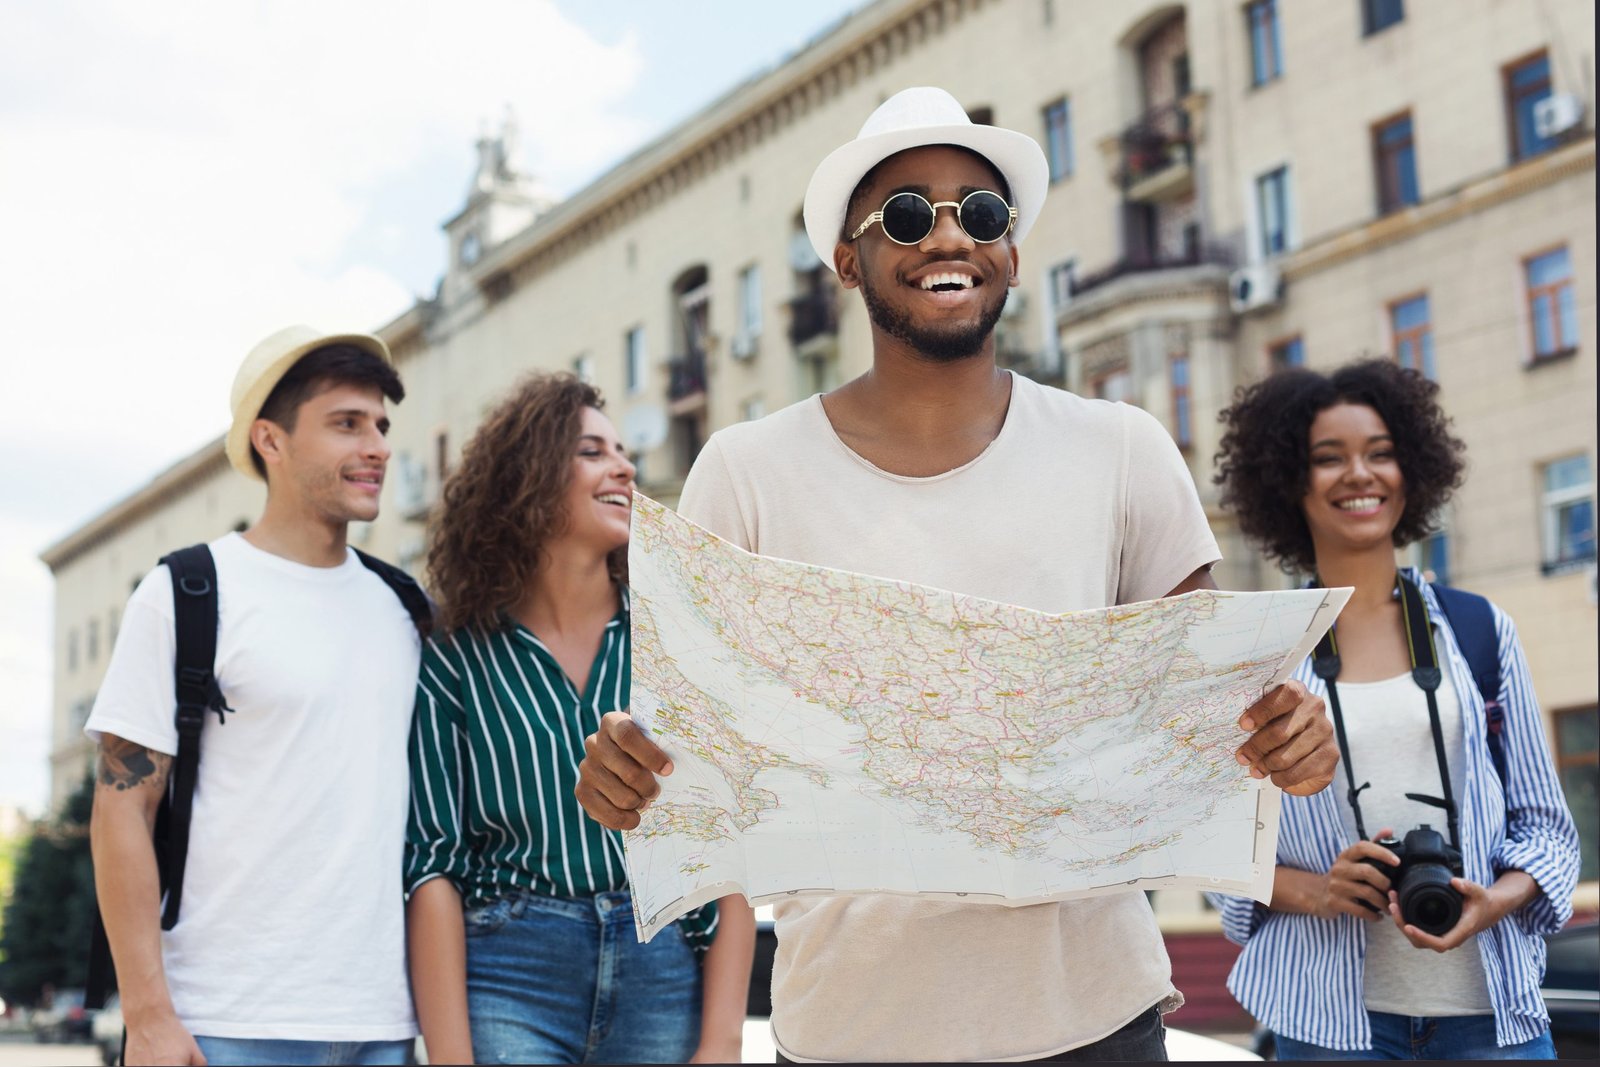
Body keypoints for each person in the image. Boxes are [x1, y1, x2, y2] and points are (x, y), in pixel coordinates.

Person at [574, 86, 1340, 1063]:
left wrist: (1288, 736)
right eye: (904, 214)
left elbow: (1208, 711)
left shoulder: (1119, 448)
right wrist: (627, 775)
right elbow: (687, 751)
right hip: (851, 1028)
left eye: (979, 213)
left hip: (1091, 1016)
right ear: (846, 258)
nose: (947, 237)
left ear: (1012, 251)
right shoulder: (745, 469)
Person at [1210, 359, 1580, 1060]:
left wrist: (1490, 900)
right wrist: (1322, 890)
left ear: (1413, 469)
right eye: (1329, 458)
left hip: (1493, 1012)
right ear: (1289, 480)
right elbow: (1219, 857)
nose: (1360, 474)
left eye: (1381, 453)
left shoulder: (1479, 630)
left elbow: (1548, 831)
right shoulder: (1257, 659)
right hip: (1328, 1023)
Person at [87, 325, 422, 1066]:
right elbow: (121, 805)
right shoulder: (184, 593)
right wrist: (147, 1015)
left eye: (381, 425)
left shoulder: (405, 608)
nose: (377, 447)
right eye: (346, 424)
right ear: (270, 440)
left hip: (382, 1021)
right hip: (222, 1022)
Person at [404, 373, 753, 1065]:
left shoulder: (674, 642)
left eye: (622, 451)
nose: (624, 466)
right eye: (592, 451)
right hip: (510, 971)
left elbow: (732, 843)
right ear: (525, 478)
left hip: (663, 967)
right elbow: (433, 865)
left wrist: (721, 1041)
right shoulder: (454, 654)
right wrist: (450, 1056)